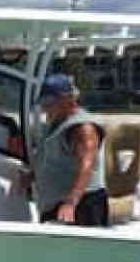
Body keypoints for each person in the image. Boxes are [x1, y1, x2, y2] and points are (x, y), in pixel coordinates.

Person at [28, 74, 108, 226]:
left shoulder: (83, 128)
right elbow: (50, 158)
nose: (45, 107)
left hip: (81, 205)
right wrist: (31, 176)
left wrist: (71, 202)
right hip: (54, 205)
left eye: (49, 102)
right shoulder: (55, 124)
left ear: (68, 99)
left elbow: (87, 166)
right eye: (43, 102)